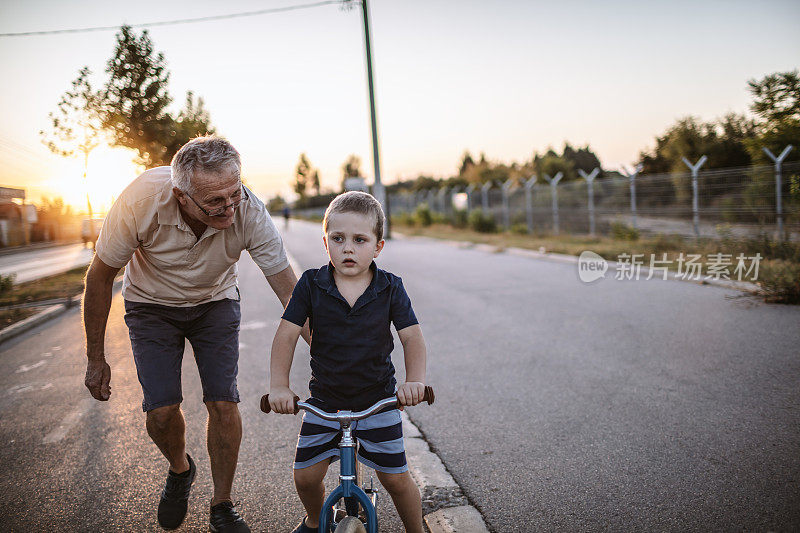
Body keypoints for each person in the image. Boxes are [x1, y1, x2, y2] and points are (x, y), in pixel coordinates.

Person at [83, 136, 306, 532]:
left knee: (223, 402)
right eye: (214, 202)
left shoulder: (247, 211)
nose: (229, 207)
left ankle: (222, 504)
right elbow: (100, 277)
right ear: (181, 197)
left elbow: (290, 291)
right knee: (161, 410)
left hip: (215, 302)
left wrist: (329, 352)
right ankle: (180, 469)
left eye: (233, 192)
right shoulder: (140, 201)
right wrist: (95, 358)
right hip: (151, 306)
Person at [268, 191, 428, 533]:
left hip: (379, 401)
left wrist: (414, 380)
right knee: (305, 476)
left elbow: (411, 336)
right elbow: (285, 334)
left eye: (360, 240)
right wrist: (279, 386)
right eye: (338, 239)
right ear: (326, 242)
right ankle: (314, 520)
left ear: (378, 247)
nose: (348, 248)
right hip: (325, 401)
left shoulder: (389, 287)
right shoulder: (311, 284)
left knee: (396, 479)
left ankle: (417, 529)